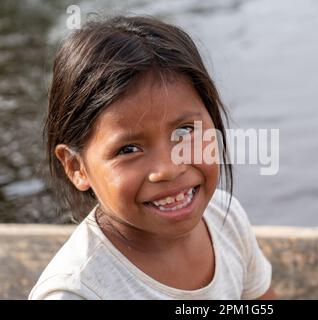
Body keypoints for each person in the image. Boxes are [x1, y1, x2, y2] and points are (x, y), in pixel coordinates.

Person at [29, 15, 276, 300]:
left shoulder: (225, 217)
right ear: (76, 167)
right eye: (128, 149)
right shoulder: (77, 293)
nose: (169, 169)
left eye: (185, 131)